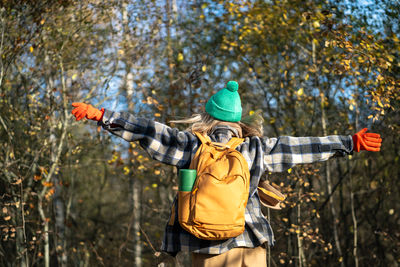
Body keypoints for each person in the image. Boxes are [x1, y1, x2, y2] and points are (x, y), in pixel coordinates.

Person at [71, 81, 382, 267]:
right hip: (251, 245)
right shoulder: (257, 148)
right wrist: (348, 143)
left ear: (206, 117)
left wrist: (103, 116)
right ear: (238, 122)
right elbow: (299, 148)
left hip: (204, 246)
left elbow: (150, 132)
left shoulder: (190, 145)